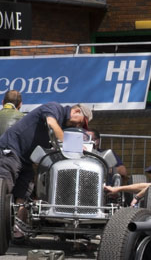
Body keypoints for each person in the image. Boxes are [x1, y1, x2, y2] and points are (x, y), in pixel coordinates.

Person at [0, 101, 92, 236]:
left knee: (24, 193)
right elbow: (51, 123)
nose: (78, 126)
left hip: (27, 160)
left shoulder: (61, 124)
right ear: (76, 111)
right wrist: (70, 146)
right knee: (3, 187)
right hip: (11, 150)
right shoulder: (54, 108)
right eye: (80, 122)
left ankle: (17, 231)